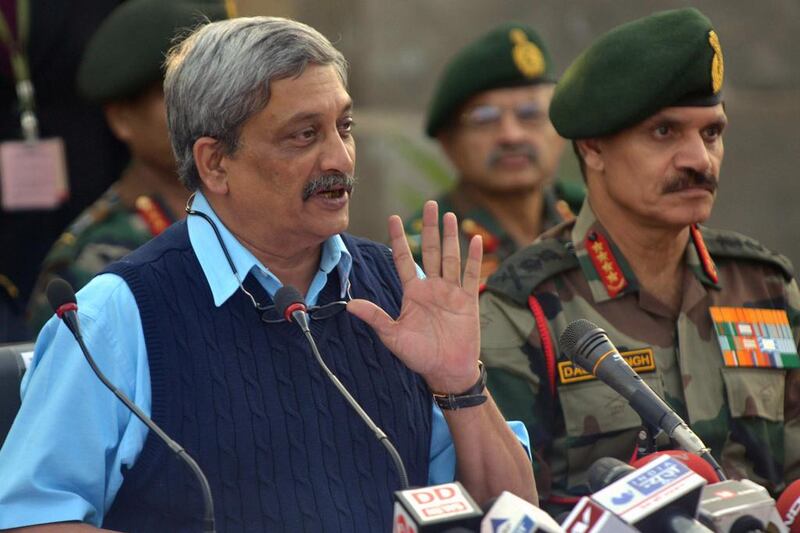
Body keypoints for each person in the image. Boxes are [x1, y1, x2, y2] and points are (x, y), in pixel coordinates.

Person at [0, 16, 535, 532]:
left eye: (343, 127)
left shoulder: (399, 286)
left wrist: (461, 385)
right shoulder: (118, 315)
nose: (340, 159)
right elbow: (29, 519)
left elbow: (514, 514)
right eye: (303, 136)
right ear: (214, 163)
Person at [479, 7, 800, 516]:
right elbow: (507, 509)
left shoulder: (765, 286)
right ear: (594, 148)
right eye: (664, 133)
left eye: (711, 134)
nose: (699, 159)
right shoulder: (525, 310)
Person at [24, 0, 229, 334]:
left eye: (211, 88)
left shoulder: (250, 212)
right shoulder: (99, 254)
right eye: (174, 94)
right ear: (122, 119)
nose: (203, 108)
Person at [404, 22, 582, 280]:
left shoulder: (595, 220)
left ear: (560, 132)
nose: (511, 135)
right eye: (484, 118)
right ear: (448, 142)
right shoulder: (424, 254)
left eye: (530, 114)